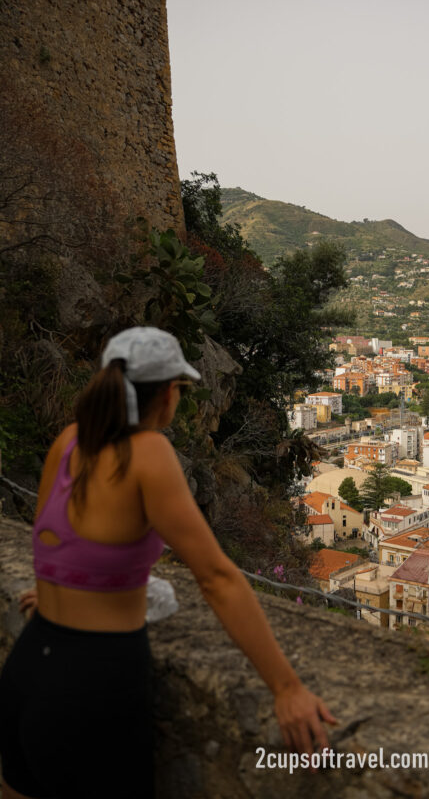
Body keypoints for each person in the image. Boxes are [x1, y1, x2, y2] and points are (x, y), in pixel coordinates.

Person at [0, 327, 335, 799]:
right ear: (167, 393)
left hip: (32, 661)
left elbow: (57, 541)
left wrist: (65, 595)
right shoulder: (148, 452)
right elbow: (217, 577)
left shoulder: (70, 442)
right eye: (181, 388)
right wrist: (286, 688)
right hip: (92, 684)